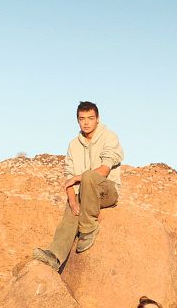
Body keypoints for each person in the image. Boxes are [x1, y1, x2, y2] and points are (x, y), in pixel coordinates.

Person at [33, 101, 124, 271]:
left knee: (89, 175)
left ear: (98, 119)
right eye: (82, 119)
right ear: (78, 121)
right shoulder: (73, 145)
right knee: (73, 204)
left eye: (90, 118)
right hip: (85, 193)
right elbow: (69, 178)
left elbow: (104, 170)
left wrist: (78, 177)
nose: (86, 122)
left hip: (107, 191)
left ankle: (89, 229)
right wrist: (73, 201)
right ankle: (55, 256)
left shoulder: (109, 137)